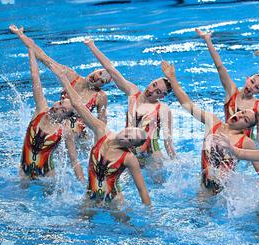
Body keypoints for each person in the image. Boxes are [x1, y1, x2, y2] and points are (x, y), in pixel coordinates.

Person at [55, 62, 151, 206]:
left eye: (129, 139)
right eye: (128, 132)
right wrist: (64, 79)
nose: (125, 136)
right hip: (90, 197)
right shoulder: (101, 131)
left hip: (114, 201)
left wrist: (149, 214)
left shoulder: (129, 158)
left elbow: (142, 189)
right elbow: (76, 104)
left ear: (130, 146)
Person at [161, 60, 259, 194]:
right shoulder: (213, 122)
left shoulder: (246, 142)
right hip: (203, 184)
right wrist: (172, 79)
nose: (240, 115)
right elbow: (187, 104)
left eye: (245, 119)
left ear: (246, 128)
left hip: (223, 195)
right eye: (241, 112)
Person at [83, 39, 176, 169]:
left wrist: (176, 163)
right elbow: (111, 70)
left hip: (151, 157)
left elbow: (168, 142)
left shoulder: (163, 109)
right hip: (129, 150)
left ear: (162, 96)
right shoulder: (133, 93)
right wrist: (92, 46)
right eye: (154, 84)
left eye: (157, 91)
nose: (151, 90)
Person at [9, 25, 111, 138]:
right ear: (95, 69)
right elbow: (44, 58)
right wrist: (20, 35)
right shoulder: (71, 76)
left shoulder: (100, 97)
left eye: (102, 81)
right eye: (100, 73)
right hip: (57, 127)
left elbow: (102, 125)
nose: (97, 78)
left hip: (79, 135)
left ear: (102, 86)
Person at [19, 48, 84, 182]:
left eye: (63, 110)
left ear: (66, 116)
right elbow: (35, 76)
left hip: (47, 175)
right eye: (60, 102)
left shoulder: (65, 131)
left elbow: (74, 161)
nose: (56, 107)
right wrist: (31, 49)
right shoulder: (40, 109)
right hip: (23, 171)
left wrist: (83, 183)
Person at [196, 28, 259, 144]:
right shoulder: (231, 92)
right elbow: (219, 66)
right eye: (252, 81)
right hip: (227, 138)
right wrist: (207, 40)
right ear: (247, 79)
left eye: (257, 87)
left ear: (258, 92)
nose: (252, 86)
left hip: (245, 144)